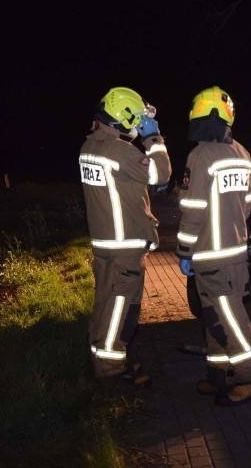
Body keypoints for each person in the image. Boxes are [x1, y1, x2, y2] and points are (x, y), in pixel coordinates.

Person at [176, 86, 251, 407]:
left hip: (210, 255)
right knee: (217, 315)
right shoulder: (242, 154)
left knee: (227, 318)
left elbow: (193, 208)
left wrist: (185, 251)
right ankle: (219, 375)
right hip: (236, 254)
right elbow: (246, 206)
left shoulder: (200, 155)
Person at [78, 87, 172, 383]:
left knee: (105, 303)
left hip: (104, 243)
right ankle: (111, 371)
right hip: (124, 246)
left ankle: (100, 358)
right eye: (135, 120)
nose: (137, 125)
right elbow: (161, 175)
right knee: (122, 308)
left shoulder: (90, 147)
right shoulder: (120, 151)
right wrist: (153, 138)